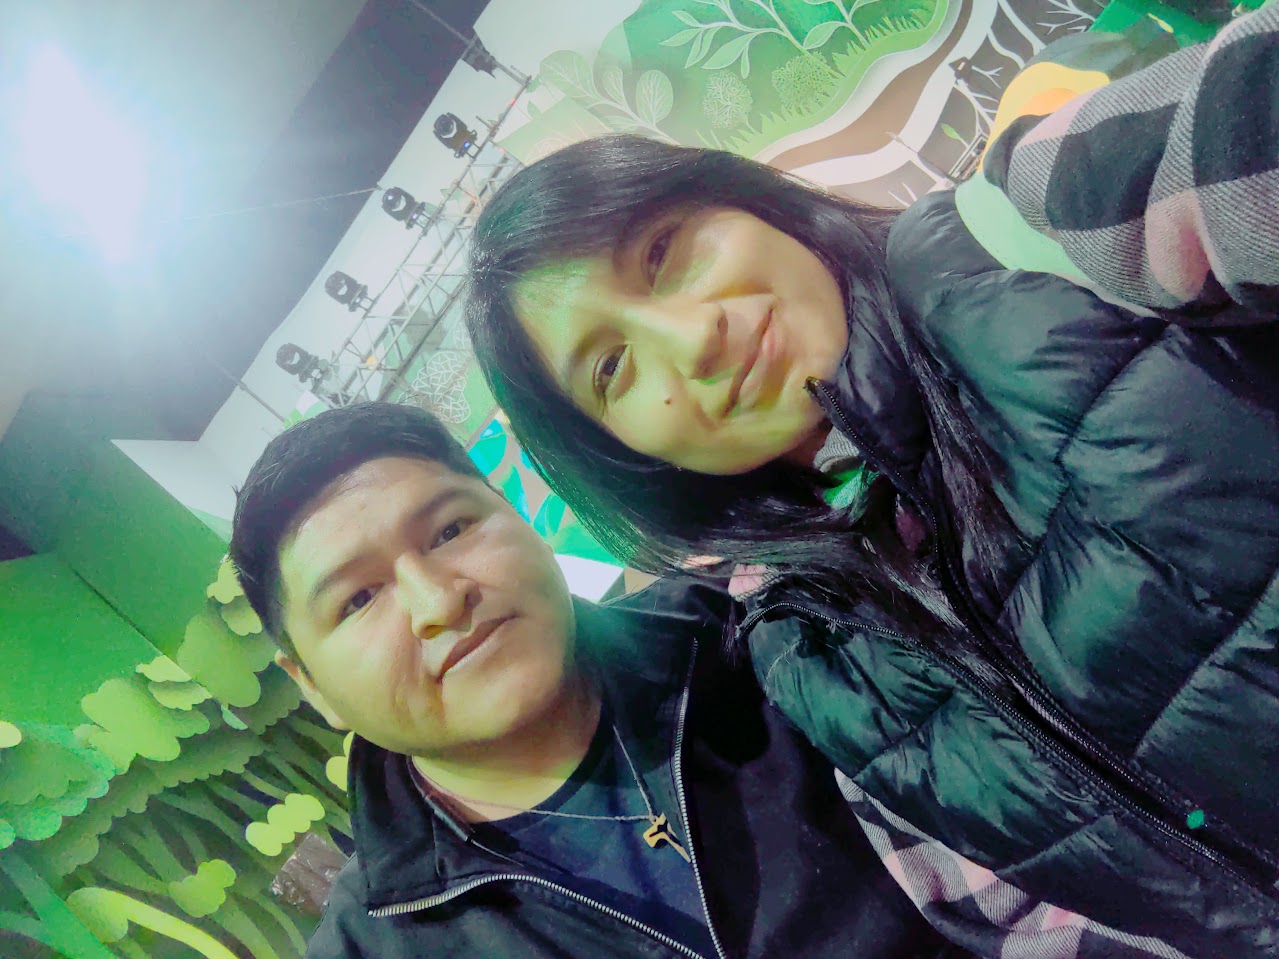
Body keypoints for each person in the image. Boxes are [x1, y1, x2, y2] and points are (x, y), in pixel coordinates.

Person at [464, 6, 1279, 956]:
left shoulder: (1015, 230)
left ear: (742, 201)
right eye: (611, 369)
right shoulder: (805, 650)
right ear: (623, 451)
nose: (693, 341)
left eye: (662, 252)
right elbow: (1017, 920)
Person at [227, 402, 966, 959]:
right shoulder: (371, 947)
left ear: (515, 514)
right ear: (310, 684)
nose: (439, 602)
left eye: (451, 530)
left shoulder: (757, 625)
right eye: (358, 599)